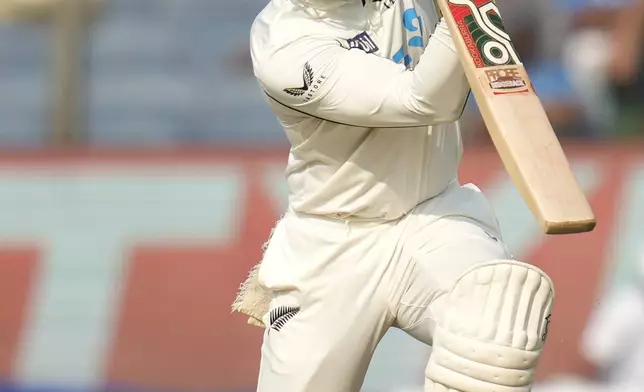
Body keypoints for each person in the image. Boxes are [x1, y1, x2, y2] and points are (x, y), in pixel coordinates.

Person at [231, 0, 555, 391]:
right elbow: (421, 99)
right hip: (334, 243)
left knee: (497, 313)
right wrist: (465, 8)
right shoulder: (285, 43)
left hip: (435, 216)